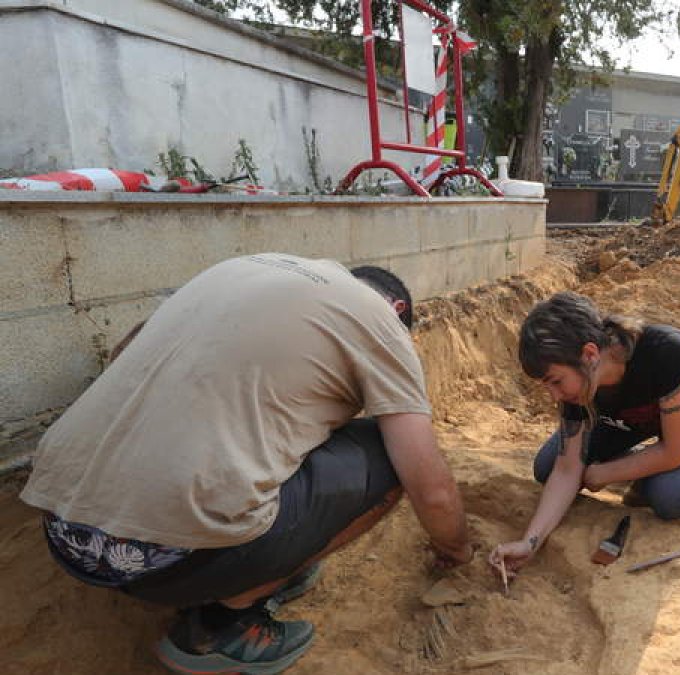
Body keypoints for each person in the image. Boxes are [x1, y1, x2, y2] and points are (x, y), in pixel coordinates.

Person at [20, 253, 472, 674]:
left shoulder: (242, 270)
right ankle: (221, 623)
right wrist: (456, 549)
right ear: (395, 309)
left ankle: (266, 566)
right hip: (161, 566)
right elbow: (428, 487)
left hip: (63, 532)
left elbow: (124, 352)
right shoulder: (380, 322)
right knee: (388, 458)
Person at [488, 292, 680, 580]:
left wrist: (606, 473)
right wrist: (528, 544)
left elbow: (677, 450)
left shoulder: (668, 352)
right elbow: (568, 468)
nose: (555, 395)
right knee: (547, 467)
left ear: (590, 354)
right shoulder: (580, 381)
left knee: (672, 497)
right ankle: (645, 469)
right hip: (631, 420)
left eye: (556, 382)